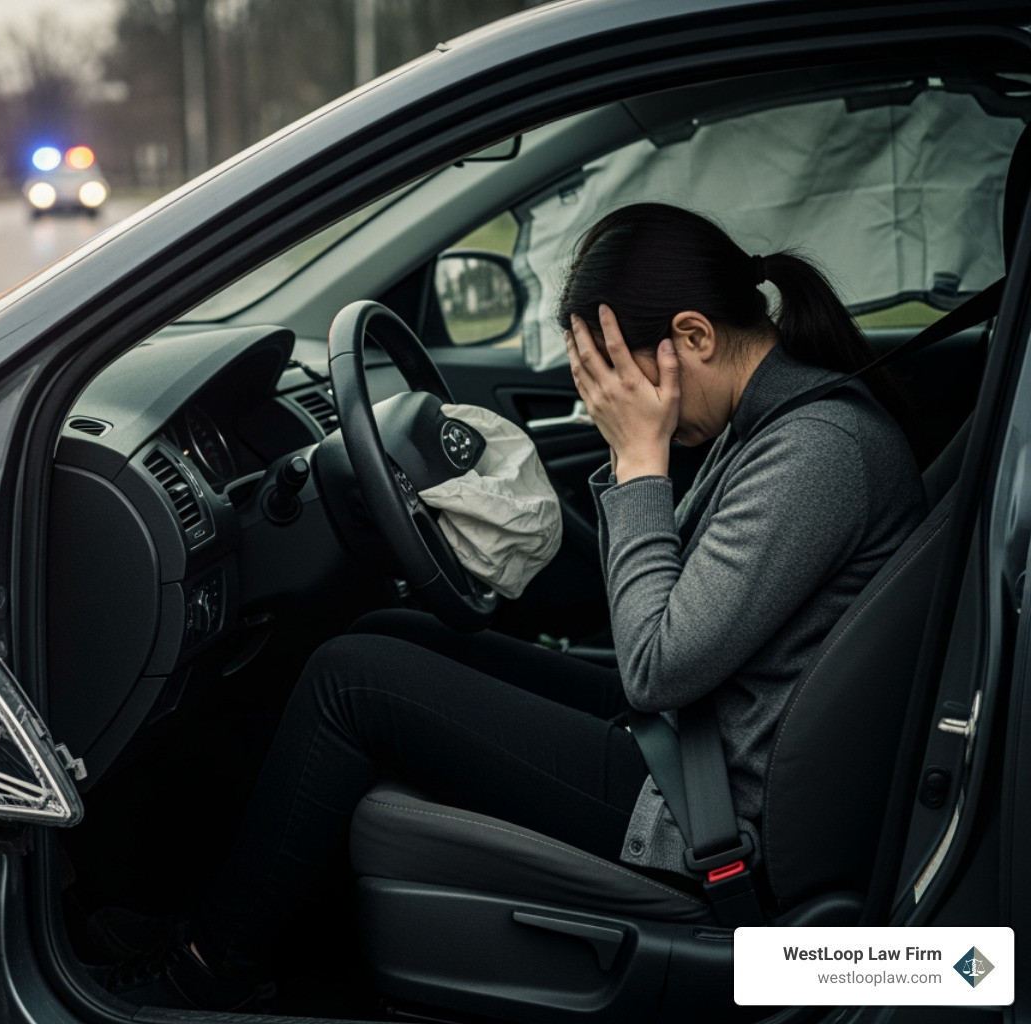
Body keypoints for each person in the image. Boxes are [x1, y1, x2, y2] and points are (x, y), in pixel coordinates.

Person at [93, 202, 926, 1010]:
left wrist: (638, 461)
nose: (605, 399)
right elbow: (653, 602)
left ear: (694, 339)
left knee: (352, 678)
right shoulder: (767, 424)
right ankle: (243, 917)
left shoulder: (817, 453)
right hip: (699, 738)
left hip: (705, 808)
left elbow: (654, 665)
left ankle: (214, 965)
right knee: (390, 629)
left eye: (614, 375)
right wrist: (625, 464)